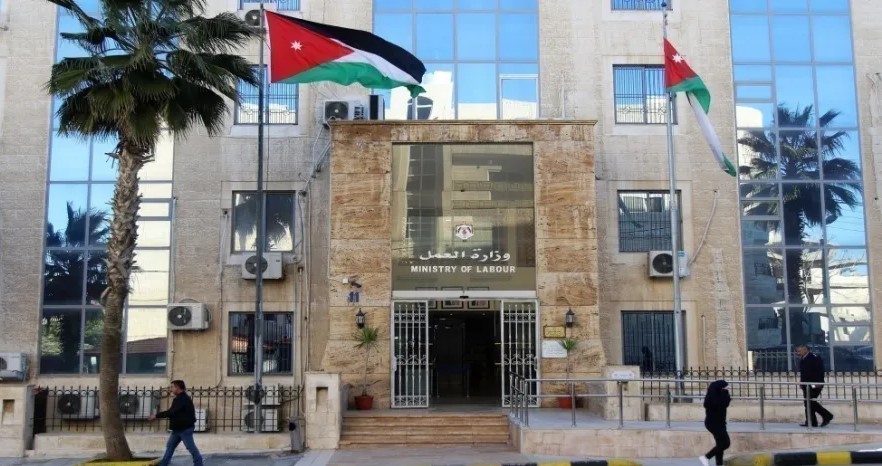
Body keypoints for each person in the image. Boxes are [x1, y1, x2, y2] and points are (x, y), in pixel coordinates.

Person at [148, 380, 203, 466]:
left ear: (177, 387)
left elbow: (171, 412)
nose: (171, 389)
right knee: (170, 446)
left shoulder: (182, 399)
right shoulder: (179, 398)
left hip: (185, 429)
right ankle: (164, 464)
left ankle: (199, 464)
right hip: (177, 429)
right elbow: (173, 412)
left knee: (191, 447)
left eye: (172, 387)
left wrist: (156, 416)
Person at [796, 344, 833, 427]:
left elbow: (820, 371)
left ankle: (827, 415)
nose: (798, 353)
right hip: (806, 384)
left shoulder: (814, 358)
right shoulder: (803, 359)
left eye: (799, 351)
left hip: (814, 384)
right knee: (807, 402)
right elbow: (804, 373)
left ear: (805, 349)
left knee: (810, 401)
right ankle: (811, 422)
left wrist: (818, 383)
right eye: (797, 351)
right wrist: (802, 383)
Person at [699, 380, 731, 466]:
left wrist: (725, 393)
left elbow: (726, 403)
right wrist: (725, 392)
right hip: (714, 424)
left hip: (718, 423)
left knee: (720, 444)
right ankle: (706, 457)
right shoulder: (714, 398)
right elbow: (722, 404)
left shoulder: (716, 396)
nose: (728, 388)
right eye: (726, 387)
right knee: (726, 443)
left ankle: (719, 464)